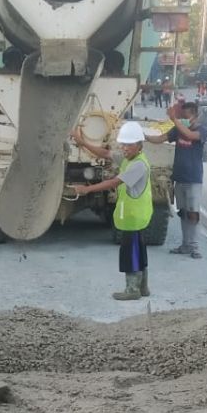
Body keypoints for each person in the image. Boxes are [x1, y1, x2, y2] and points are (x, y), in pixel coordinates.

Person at [70, 121, 154, 300]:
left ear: (139, 145)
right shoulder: (129, 159)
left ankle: (132, 290)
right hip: (136, 215)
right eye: (123, 144)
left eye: (129, 145)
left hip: (133, 215)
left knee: (130, 252)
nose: (124, 148)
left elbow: (115, 182)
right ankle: (143, 287)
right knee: (139, 250)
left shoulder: (138, 164)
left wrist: (87, 190)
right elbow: (106, 153)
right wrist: (83, 143)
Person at [146, 100, 206, 259]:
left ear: (194, 114)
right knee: (184, 213)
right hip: (179, 178)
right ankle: (185, 245)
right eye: (181, 115)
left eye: (185, 115)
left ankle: (194, 246)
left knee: (193, 213)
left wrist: (175, 120)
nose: (183, 118)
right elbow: (160, 139)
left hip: (194, 178)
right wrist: (143, 136)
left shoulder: (201, 130)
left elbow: (190, 135)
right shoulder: (178, 130)